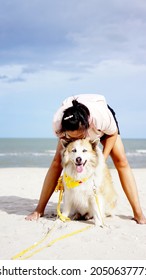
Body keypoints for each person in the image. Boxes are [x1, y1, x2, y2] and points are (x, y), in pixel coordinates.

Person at [26, 94, 146, 224]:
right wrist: (70, 142)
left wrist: (102, 159)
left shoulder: (101, 118)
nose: (77, 140)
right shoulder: (58, 124)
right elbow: (64, 149)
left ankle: (138, 213)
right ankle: (39, 209)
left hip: (102, 122)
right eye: (72, 137)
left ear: (86, 127)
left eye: (79, 136)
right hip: (74, 123)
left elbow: (113, 133)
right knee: (56, 162)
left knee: (121, 161)